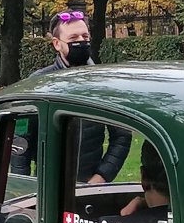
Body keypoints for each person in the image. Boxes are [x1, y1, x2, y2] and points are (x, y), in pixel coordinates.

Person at [29, 10, 130, 183]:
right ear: (57, 44)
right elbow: (20, 141)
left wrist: (101, 177)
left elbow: (122, 136)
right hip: (46, 188)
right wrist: (22, 186)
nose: (81, 42)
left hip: (89, 188)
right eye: (73, 38)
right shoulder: (39, 82)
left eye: (85, 36)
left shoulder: (103, 84)